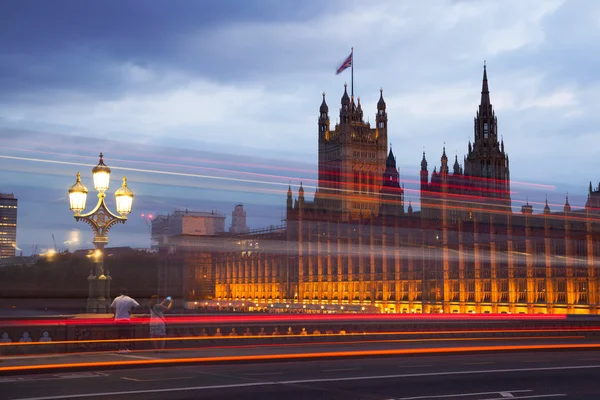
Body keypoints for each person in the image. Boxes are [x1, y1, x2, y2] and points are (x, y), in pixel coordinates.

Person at [111, 288, 139, 353]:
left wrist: (115, 313)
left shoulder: (116, 299)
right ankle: (124, 348)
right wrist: (131, 312)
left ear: (120, 293)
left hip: (118, 319)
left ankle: (120, 348)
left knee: (120, 334)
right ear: (127, 293)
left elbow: (112, 307)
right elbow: (137, 305)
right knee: (126, 334)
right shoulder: (130, 299)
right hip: (126, 318)